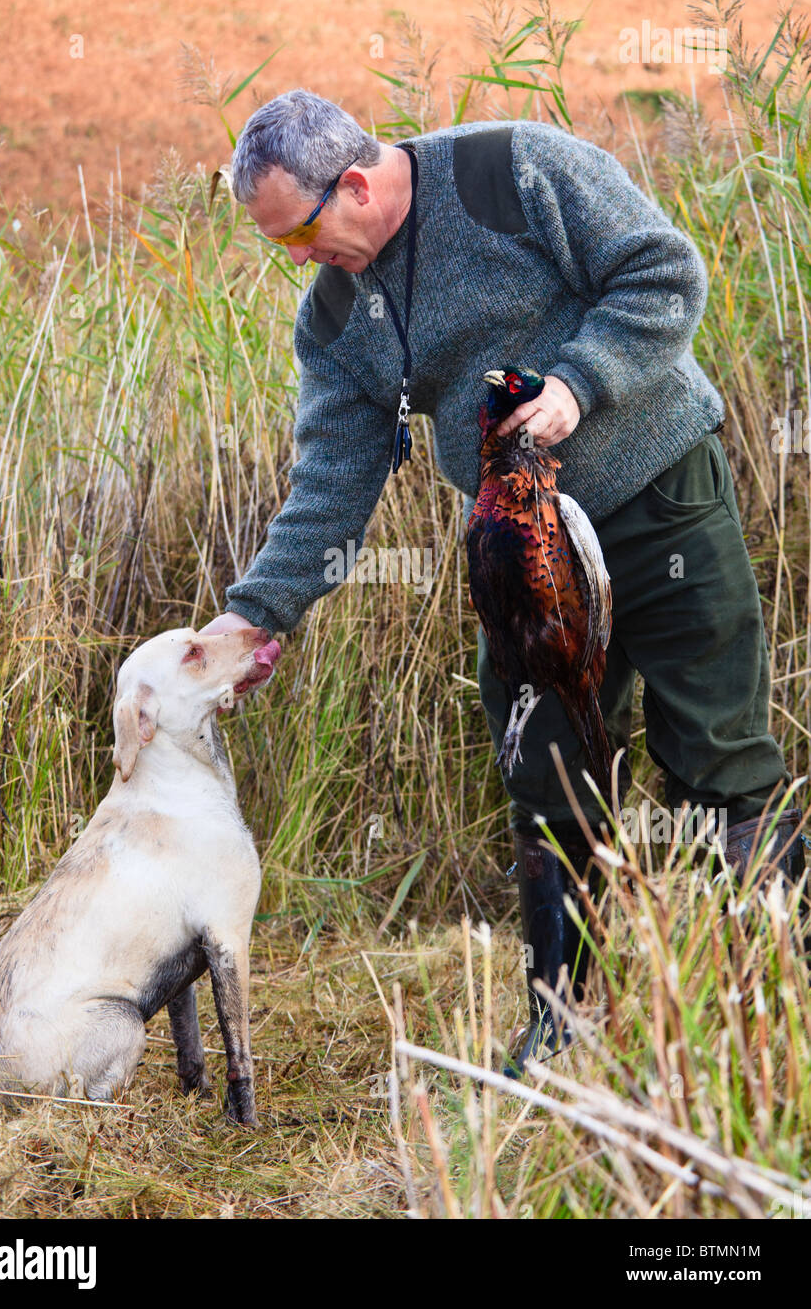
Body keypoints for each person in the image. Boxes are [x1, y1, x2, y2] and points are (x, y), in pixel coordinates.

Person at [201, 89, 808, 1068]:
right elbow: (331, 481)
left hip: (657, 500)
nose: (302, 261)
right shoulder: (336, 318)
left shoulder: (511, 173)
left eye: (301, 234)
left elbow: (661, 273)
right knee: (547, 772)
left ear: (354, 182)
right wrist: (251, 615)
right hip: (522, 550)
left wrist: (576, 380)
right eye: (283, 247)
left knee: (716, 760)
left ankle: (776, 1004)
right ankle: (565, 1027)